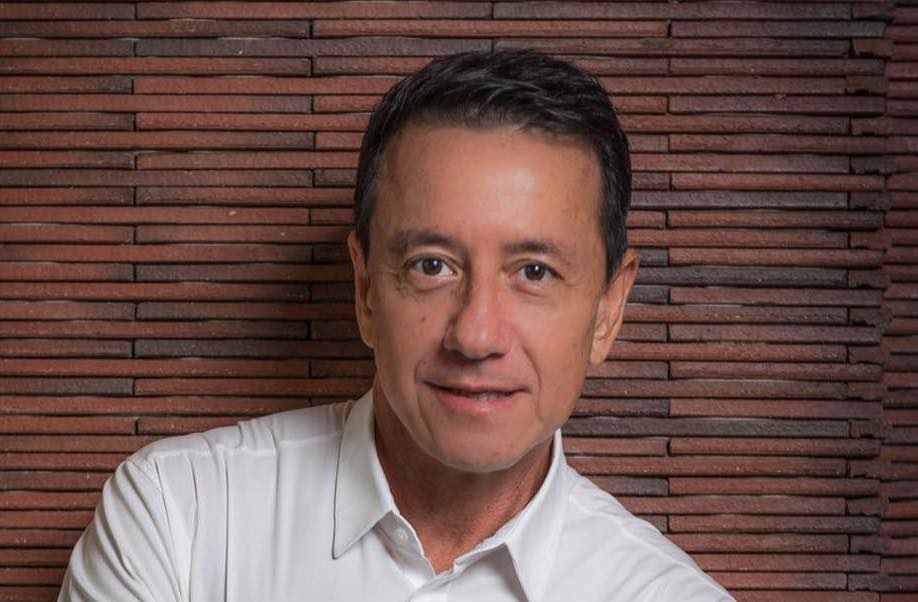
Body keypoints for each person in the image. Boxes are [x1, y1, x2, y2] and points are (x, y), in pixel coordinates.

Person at [59, 50, 734, 601]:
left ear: (608, 310)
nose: (476, 336)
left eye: (534, 272)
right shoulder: (177, 516)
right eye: (432, 265)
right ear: (366, 290)